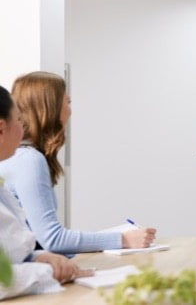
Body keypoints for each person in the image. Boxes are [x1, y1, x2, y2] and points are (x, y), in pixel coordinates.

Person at [0, 72, 156, 254]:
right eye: (68, 102)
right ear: (51, 108)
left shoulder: (21, 157)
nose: (70, 110)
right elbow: (52, 239)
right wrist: (123, 239)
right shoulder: (29, 160)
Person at [0, 84, 93, 299]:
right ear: (2, 128)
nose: (23, 129)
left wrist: (38, 257)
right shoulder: (29, 159)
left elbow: (11, 252)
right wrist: (48, 271)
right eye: (19, 121)